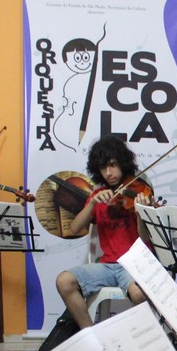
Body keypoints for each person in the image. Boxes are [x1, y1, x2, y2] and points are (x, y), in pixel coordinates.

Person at [54, 135, 154, 331]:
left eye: (113, 165)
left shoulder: (137, 191)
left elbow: (145, 239)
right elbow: (74, 228)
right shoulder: (97, 197)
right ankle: (91, 335)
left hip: (133, 265)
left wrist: (141, 212)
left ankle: (140, 337)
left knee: (139, 293)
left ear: (123, 164)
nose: (109, 173)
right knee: (64, 281)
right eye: (103, 168)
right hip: (107, 266)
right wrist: (92, 203)